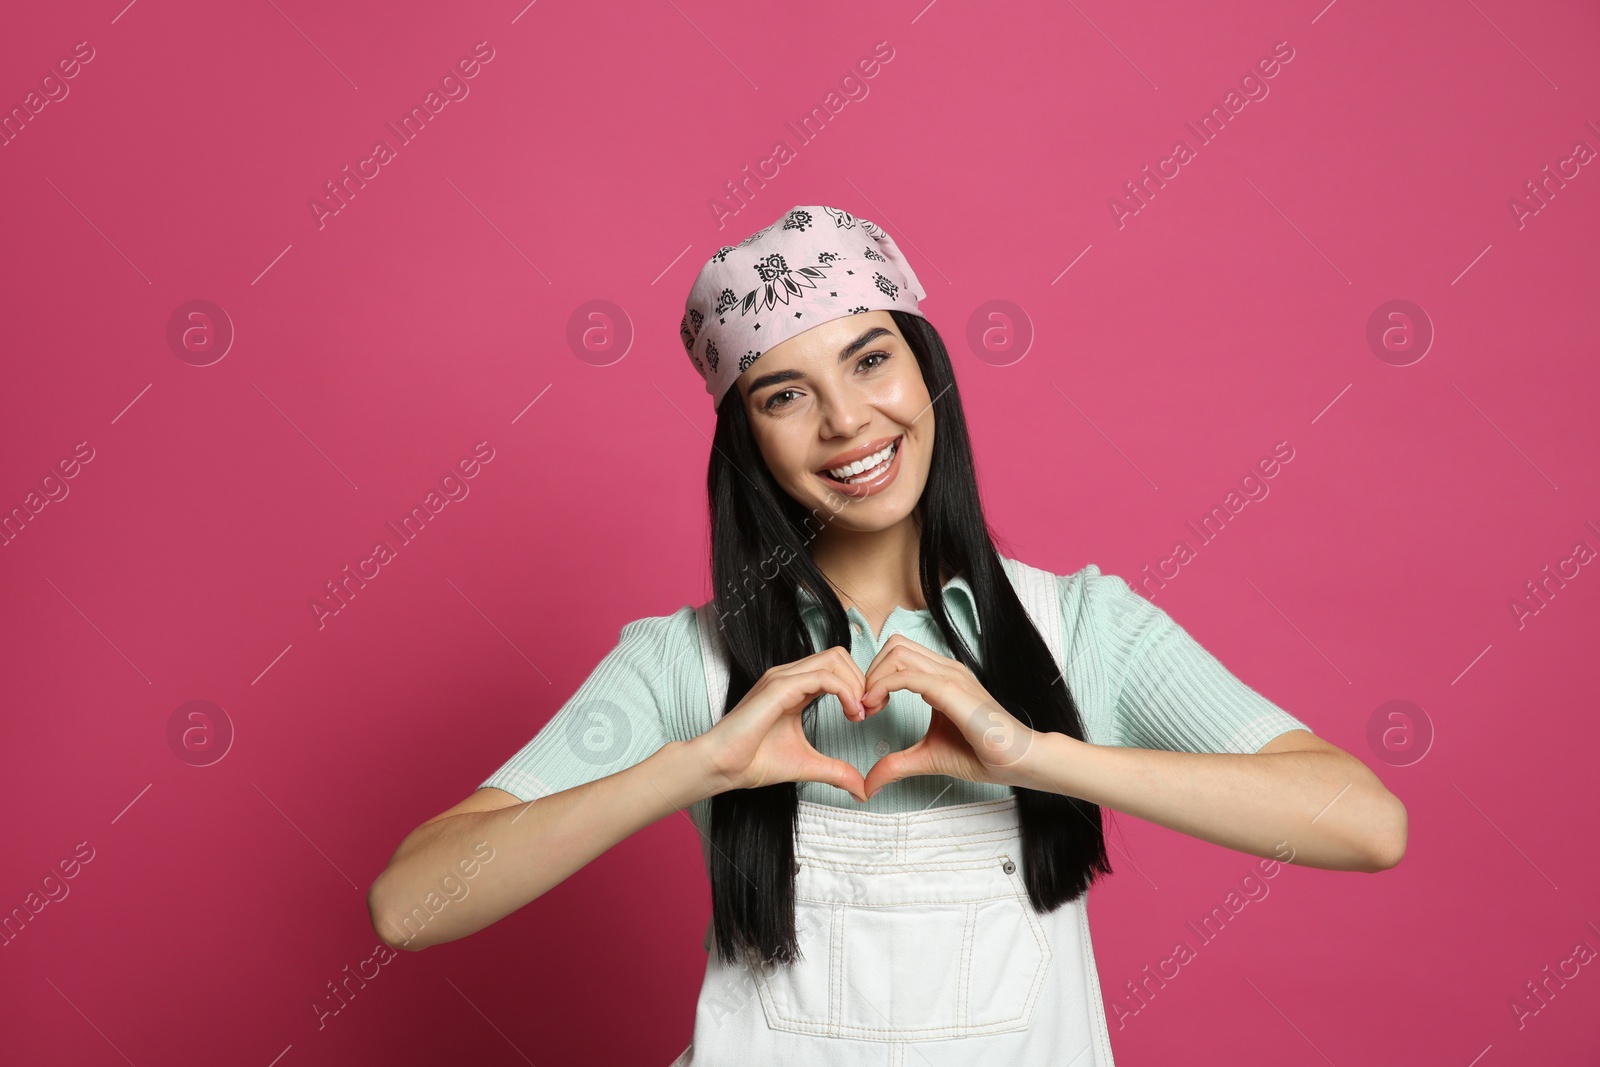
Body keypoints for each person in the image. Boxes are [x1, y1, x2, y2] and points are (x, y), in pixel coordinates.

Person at [367, 204, 1407, 1065]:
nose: (847, 421)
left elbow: (1364, 823)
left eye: (871, 360)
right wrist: (700, 764)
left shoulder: (1081, 627)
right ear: (749, 442)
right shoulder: (685, 663)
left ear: (928, 370)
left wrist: (1035, 753)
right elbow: (410, 904)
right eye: (787, 393)